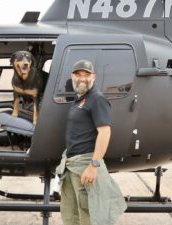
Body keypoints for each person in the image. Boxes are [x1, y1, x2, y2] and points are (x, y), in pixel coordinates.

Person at [56, 59, 127, 225]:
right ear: (72, 76)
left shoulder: (96, 99)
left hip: (85, 166)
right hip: (73, 166)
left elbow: (104, 132)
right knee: (73, 213)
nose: (82, 78)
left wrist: (93, 166)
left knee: (88, 214)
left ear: (93, 77)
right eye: (78, 74)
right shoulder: (81, 99)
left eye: (86, 75)